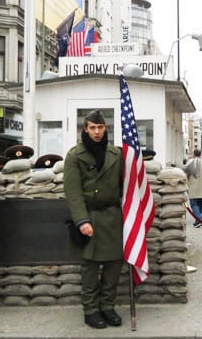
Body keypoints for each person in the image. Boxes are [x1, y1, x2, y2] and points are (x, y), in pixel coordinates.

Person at [63, 110, 124, 329]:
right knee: (90, 267)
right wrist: (82, 220)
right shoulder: (75, 155)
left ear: (105, 128)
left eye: (100, 128)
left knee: (114, 266)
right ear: (85, 130)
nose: (96, 132)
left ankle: (107, 307)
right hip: (90, 216)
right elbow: (73, 192)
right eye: (92, 128)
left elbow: (123, 185)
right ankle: (90, 310)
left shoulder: (116, 154)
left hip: (113, 216)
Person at [184, 149, 202, 227]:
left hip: (192, 188)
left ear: (194, 154)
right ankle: (197, 221)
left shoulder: (189, 163)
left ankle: (199, 219)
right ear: (200, 154)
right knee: (200, 206)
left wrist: (185, 185)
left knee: (194, 205)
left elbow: (185, 175)